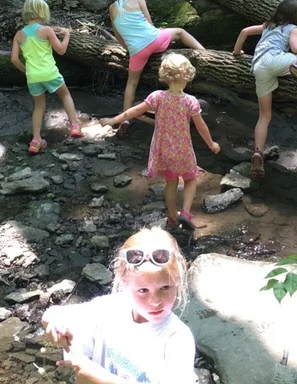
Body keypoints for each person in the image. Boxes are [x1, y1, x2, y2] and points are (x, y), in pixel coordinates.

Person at [41, 227, 197, 384]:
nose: (155, 301)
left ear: (177, 281)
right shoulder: (110, 309)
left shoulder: (177, 338)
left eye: (165, 288)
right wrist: (55, 325)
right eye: (143, 290)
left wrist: (99, 379)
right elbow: (53, 315)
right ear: (125, 282)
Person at [101, 53, 220, 230]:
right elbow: (201, 126)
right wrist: (211, 144)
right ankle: (185, 213)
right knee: (190, 179)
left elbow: (135, 111)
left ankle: (172, 218)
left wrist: (114, 120)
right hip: (183, 149)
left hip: (163, 150)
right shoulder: (190, 102)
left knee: (171, 182)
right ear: (187, 76)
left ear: (165, 76)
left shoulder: (157, 97)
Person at [233, 0, 297, 179]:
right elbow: (295, 48)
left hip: (259, 67)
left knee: (264, 115)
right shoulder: (292, 28)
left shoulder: (267, 25)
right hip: (277, 60)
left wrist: (237, 51)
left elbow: (244, 31)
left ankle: (257, 152)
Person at [108, 0, 205, 136]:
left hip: (136, 50)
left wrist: (129, 49)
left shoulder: (112, 9)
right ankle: (204, 52)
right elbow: (149, 23)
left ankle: (125, 120)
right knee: (180, 32)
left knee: (131, 83)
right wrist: (158, 32)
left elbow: (118, 35)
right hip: (154, 40)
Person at [10, 0, 82, 154]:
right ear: (43, 13)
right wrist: (67, 34)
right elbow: (61, 50)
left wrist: (26, 71)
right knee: (65, 95)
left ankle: (35, 141)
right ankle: (75, 126)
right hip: (50, 73)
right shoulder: (46, 30)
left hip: (33, 77)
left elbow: (14, 59)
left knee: (39, 106)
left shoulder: (19, 34)